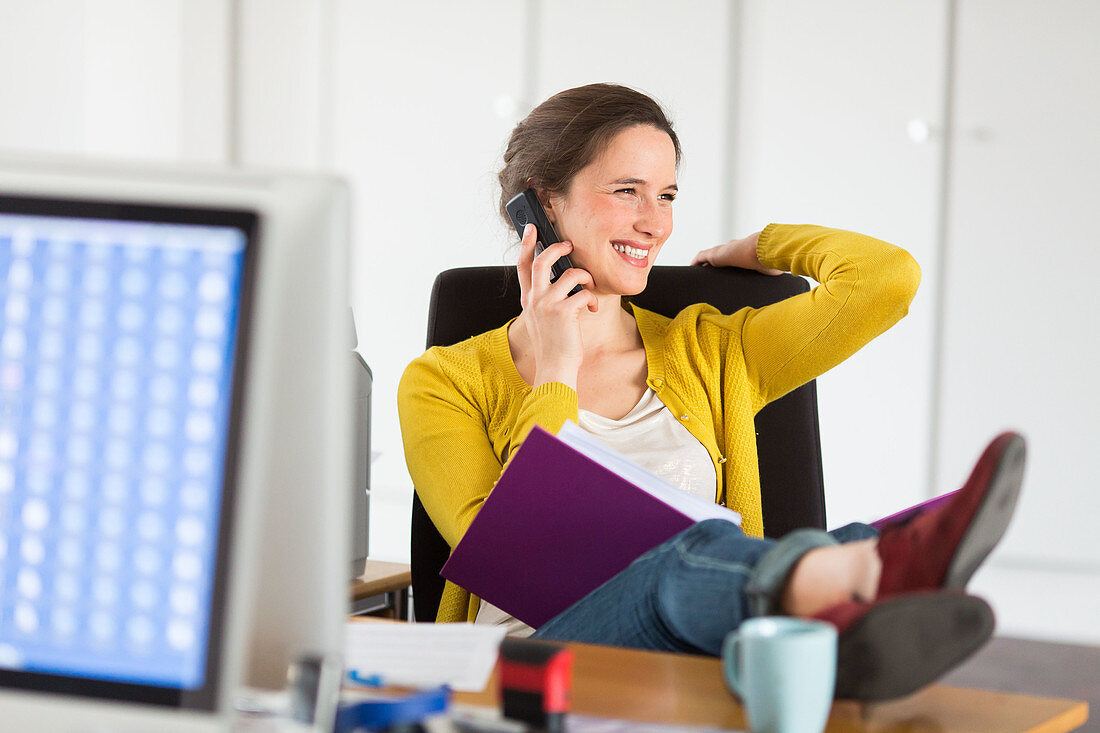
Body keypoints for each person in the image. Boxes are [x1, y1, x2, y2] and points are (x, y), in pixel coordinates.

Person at [397, 83, 1025, 701]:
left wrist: (762, 246)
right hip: (535, 663)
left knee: (834, 538)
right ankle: (857, 583)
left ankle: (860, 574)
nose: (655, 223)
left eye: (666, 195)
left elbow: (887, 279)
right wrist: (557, 367)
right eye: (627, 192)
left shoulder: (711, 349)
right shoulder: (444, 380)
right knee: (676, 557)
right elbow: (515, 551)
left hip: (689, 654)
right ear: (541, 205)